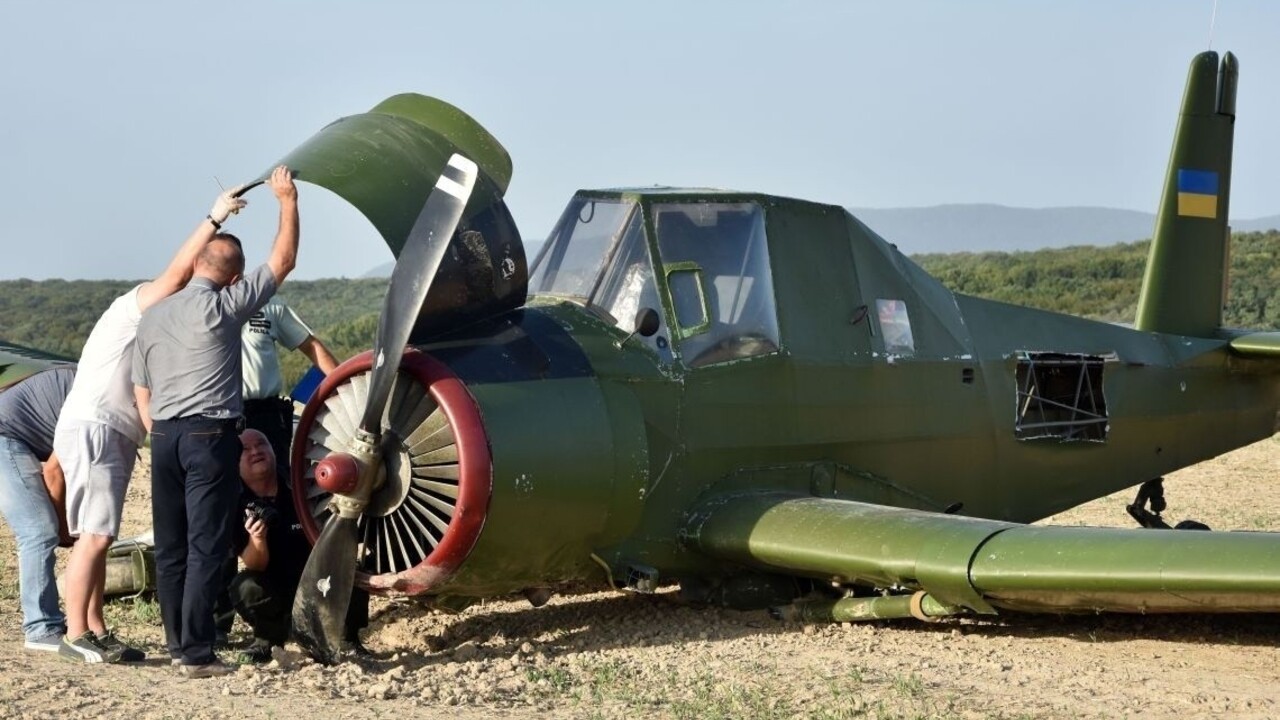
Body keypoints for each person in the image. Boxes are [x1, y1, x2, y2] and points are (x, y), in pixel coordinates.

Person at [52, 186, 241, 665]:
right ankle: (75, 632)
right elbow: (179, 272)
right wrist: (214, 218)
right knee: (93, 536)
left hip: (109, 428)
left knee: (100, 533)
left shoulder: (150, 322)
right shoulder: (134, 306)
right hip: (99, 425)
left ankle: (95, 627)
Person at [132, 165, 300, 678]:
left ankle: (178, 641)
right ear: (233, 277)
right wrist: (287, 200)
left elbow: (143, 386)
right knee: (207, 545)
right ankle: (198, 654)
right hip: (209, 434)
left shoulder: (154, 314)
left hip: (163, 435)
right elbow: (283, 260)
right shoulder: (225, 308)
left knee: (172, 546)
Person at [230, 429, 367, 662]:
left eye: (261, 444)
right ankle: (269, 641)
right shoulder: (233, 503)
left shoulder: (305, 485)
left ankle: (347, 639)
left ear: (274, 451)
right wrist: (258, 539)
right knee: (246, 586)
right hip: (276, 588)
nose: (255, 452)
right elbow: (255, 564)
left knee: (354, 569)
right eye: (245, 449)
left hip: (321, 580)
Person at [0, 366, 75, 652]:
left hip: (16, 439)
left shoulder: (95, 379)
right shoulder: (95, 398)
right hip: (5, 437)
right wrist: (63, 528)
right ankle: (41, 628)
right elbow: (54, 472)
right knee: (39, 530)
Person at [241, 296, 338, 473]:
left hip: (265, 415)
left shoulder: (268, 304)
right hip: (216, 418)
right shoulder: (197, 304)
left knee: (276, 481)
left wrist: (346, 389)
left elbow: (311, 346)